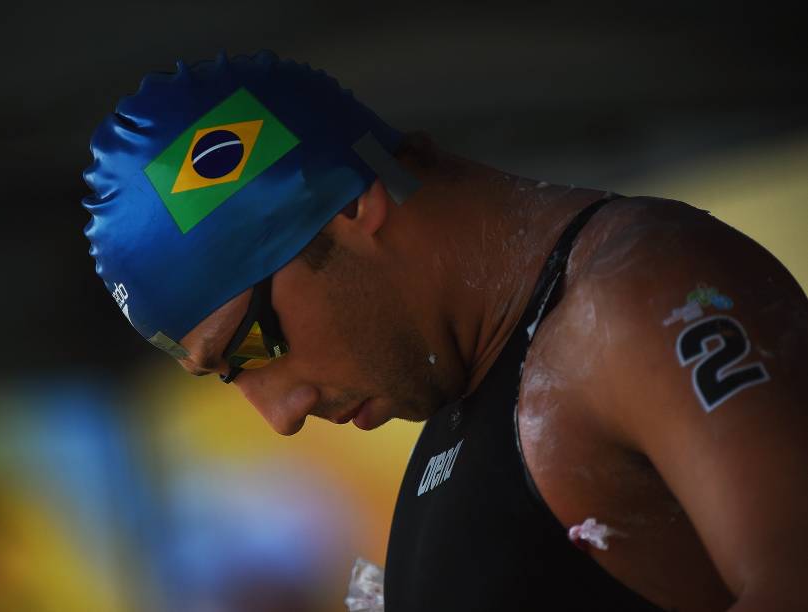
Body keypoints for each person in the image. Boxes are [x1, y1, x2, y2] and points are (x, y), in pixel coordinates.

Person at [83, 51, 808, 611]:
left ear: (351, 205)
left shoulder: (636, 293)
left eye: (250, 347)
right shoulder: (470, 393)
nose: (279, 418)